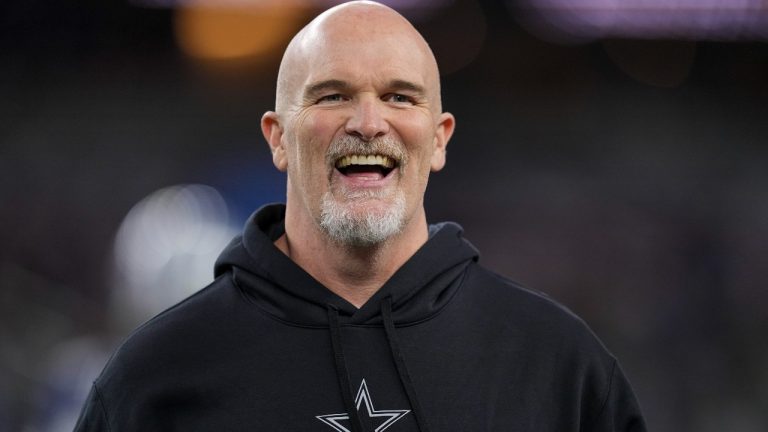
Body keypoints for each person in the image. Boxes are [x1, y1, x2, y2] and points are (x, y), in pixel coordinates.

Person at [75, 1, 646, 431]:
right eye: (332, 96)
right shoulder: (156, 376)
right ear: (277, 138)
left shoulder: (558, 363)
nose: (369, 123)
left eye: (400, 97)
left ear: (440, 138)